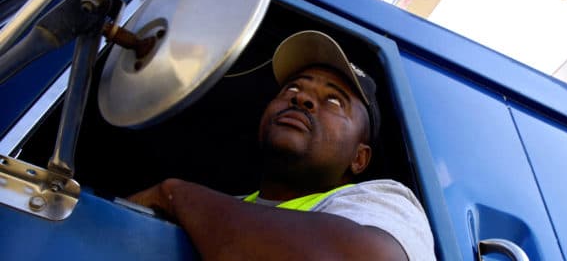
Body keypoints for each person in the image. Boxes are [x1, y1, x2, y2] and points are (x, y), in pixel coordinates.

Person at [129, 30, 436, 260]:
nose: (300, 98)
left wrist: (173, 194)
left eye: (333, 100)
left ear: (359, 158)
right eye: (292, 87)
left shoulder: (386, 205)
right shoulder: (223, 212)